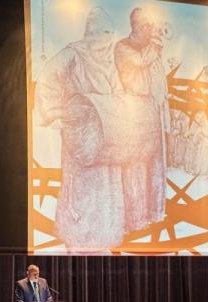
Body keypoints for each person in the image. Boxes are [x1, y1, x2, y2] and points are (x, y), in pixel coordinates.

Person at [34, 7, 127, 251]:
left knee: (106, 193)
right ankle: (77, 245)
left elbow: (118, 91)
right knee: (80, 194)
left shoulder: (110, 61)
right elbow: (47, 81)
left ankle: (103, 243)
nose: (108, 43)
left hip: (106, 138)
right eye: (104, 36)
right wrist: (55, 114)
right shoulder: (72, 54)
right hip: (80, 138)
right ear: (94, 34)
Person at [114, 7, 169, 232]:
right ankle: (135, 219)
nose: (151, 29)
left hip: (151, 107)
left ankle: (154, 213)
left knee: (155, 164)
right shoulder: (123, 47)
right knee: (135, 166)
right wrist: (155, 45)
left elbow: (159, 79)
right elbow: (139, 61)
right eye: (147, 25)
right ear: (136, 26)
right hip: (133, 110)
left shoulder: (149, 48)